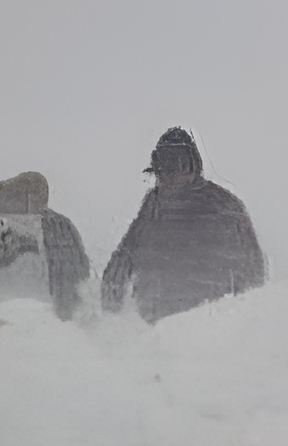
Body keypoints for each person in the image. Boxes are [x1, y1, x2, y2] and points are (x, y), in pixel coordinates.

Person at [101, 127, 265, 324]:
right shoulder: (154, 204)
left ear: (193, 167)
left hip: (208, 323)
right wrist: (110, 307)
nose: (171, 177)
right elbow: (126, 254)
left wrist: (239, 322)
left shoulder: (224, 206)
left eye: (179, 166)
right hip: (152, 326)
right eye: (164, 168)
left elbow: (251, 271)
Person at [0, 171, 91, 321]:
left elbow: (79, 272)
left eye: (38, 196)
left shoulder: (60, 226)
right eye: (23, 196)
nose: (31, 202)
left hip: (53, 318)